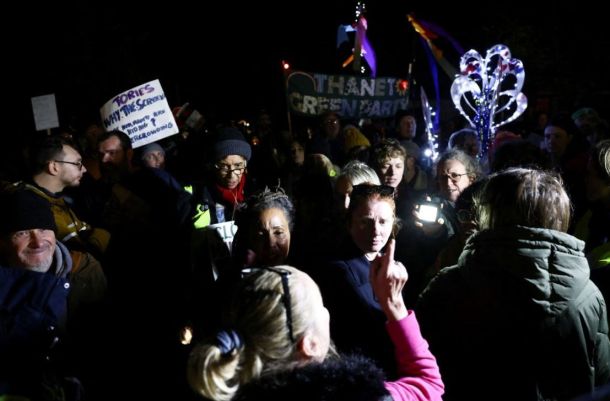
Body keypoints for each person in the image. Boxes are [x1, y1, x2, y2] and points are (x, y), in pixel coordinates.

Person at [417, 167, 610, 401]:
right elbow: (601, 377)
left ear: (490, 213)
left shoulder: (449, 286)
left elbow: (420, 367)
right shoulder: (588, 296)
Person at [187, 242, 444, 401]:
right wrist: (395, 304)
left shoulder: (224, 386)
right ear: (309, 344)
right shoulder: (364, 395)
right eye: (320, 306)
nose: (326, 312)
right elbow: (429, 385)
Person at [0, 189, 107, 401]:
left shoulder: (84, 270)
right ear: (2, 242)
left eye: (43, 229)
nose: (38, 241)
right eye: (22, 232)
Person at [317, 183, 403, 375]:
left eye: (383, 222)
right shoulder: (339, 272)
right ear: (350, 223)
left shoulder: (385, 261)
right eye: (366, 222)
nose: (376, 231)